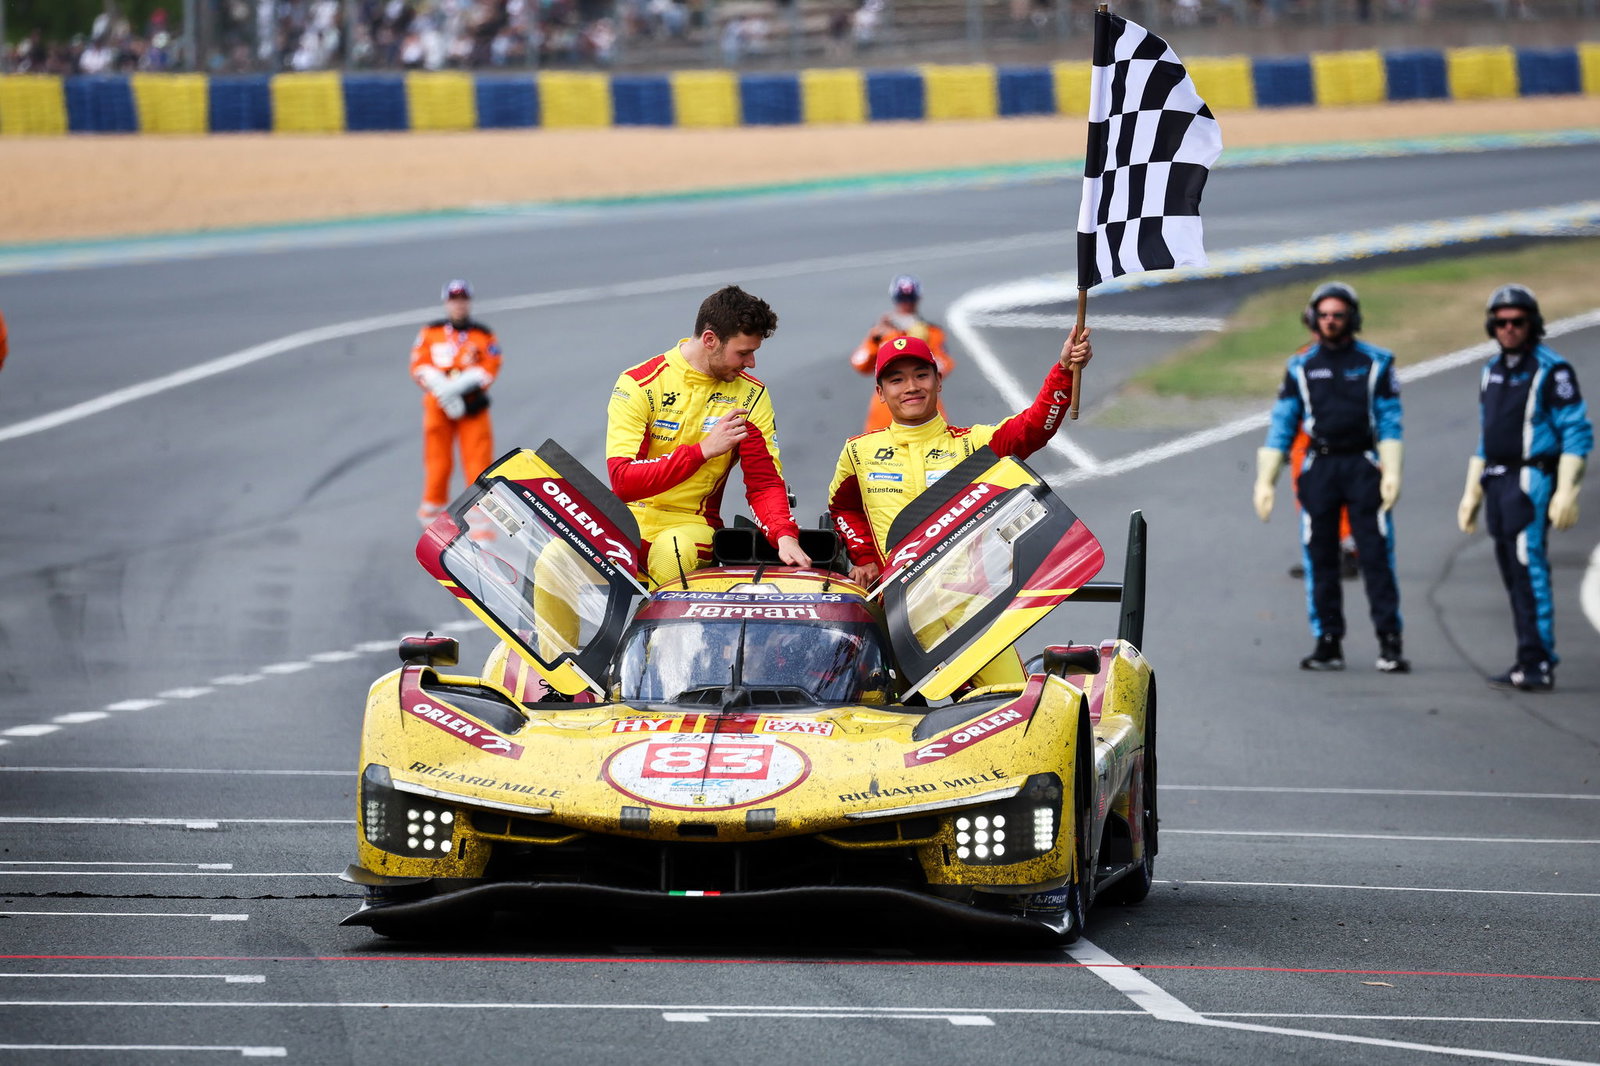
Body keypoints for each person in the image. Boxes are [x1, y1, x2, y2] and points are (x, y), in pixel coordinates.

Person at [827, 330, 1091, 687]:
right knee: (874, 709)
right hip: (899, 617)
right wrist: (863, 557)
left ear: (939, 381)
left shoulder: (973, 445)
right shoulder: (859, 452)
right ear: (881, 392)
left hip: (970, 610)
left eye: (921, 375)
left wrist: (1063, 370)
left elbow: (1033, 428)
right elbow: (842, 507)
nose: (911, 387)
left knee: (1010, 701)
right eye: (897, 379)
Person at [606, 285, 810, 587]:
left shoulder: (751, 396)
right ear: (710, 340)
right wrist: (702, 451)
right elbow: (623, 482)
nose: (751, 363)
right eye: (743, 352)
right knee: (555, 558)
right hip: (627, 519)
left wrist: (784, 535)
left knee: (672, 554)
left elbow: (764, 482)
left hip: (692, 525)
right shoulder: (638, 384)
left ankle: (659, 620)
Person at [1253, 281, 1408, 674]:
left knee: (1376, 556)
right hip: (1319, 468)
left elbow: (1390, 420)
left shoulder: (1377, 362)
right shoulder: (1300, 366)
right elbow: (1282, 423)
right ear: (1312, 319)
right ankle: (1328, 642)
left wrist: (1392, 470)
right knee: (1319, 558)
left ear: (1352, 318)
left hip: (1363, 465)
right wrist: (1265, 480)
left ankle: (1390, 641)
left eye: (1338, 315)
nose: (1331, 321)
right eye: (1323, 315)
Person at [1456, 284, 1592, 692]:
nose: (1509, 328)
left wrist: (1567, 490)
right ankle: (1525, 656)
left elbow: (1577, 432)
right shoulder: (1491, 371)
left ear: (1532, 323)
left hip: (1531, 480)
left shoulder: (1553, 370)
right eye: (1501, 322)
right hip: (1496, 479)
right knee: (1511, 572)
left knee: (1528, 566)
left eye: (1517, 321)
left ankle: (1539, 660)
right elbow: (1488, 436)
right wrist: (1472, 493)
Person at [410, 280, 502, 525]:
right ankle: (432, 509)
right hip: (438, 403)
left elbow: (491, 365)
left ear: (469, 302)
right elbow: (419, 364)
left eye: (463, 300)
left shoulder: (482, 334)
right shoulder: (431, 332)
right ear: (446, 302)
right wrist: (440, 385)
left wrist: (463, 385)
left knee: (478, 458)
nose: (458, 305)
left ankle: (481, 511)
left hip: (472, 405)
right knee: (437, 460)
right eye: (454, 300)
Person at [849, 274, 955, 434]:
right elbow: (860, 364)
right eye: (902, 299)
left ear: (917, 299)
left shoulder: (931, 332)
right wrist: (875, 338)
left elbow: (944, 366)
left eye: (910, 299)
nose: (906, 304)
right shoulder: (881, 331)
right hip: (885, 417)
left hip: (924, 413)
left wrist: (922, 345)